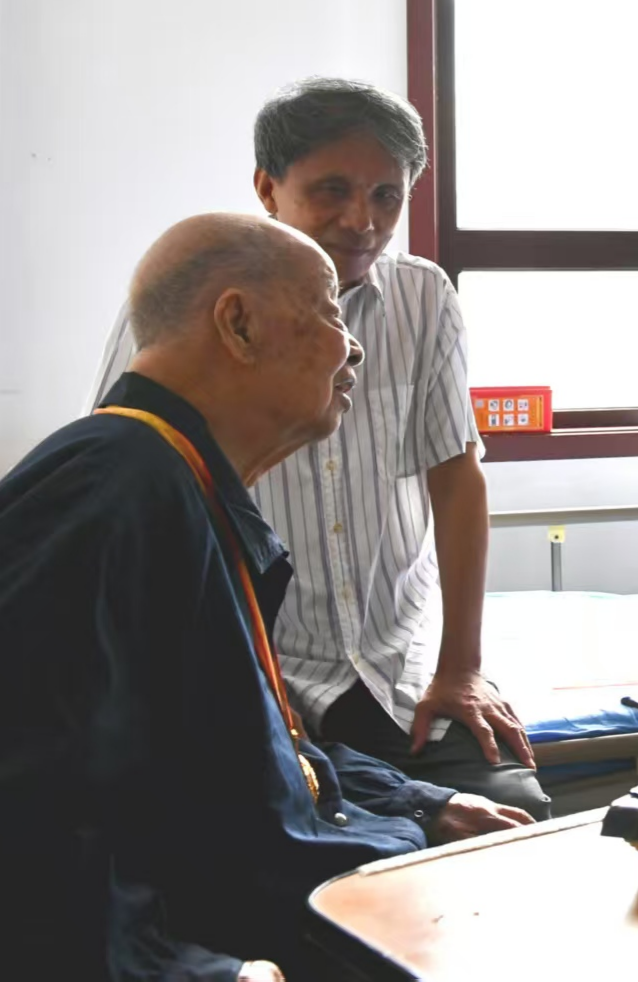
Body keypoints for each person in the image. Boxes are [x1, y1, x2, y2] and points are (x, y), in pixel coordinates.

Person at [1, 214, 533, 981]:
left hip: (323, 886)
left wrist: (419, 803)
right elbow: (34, 816)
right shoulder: (109, 490)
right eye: (327, 314)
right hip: (267, 936)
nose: (352, 346)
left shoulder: (183, 483)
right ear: (239, 325)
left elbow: (251, 746)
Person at [91, 79, 547, 819]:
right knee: (286, 852)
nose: (361, 221)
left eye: (386, 196)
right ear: (267, 189)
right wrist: (234, 678)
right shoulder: (191, 304)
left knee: (510, 820)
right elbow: (136, 482)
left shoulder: (423, 298)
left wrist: (461, 668)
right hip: (254, 672)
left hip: (395, 675)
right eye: (331, 189)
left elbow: (456, 478)